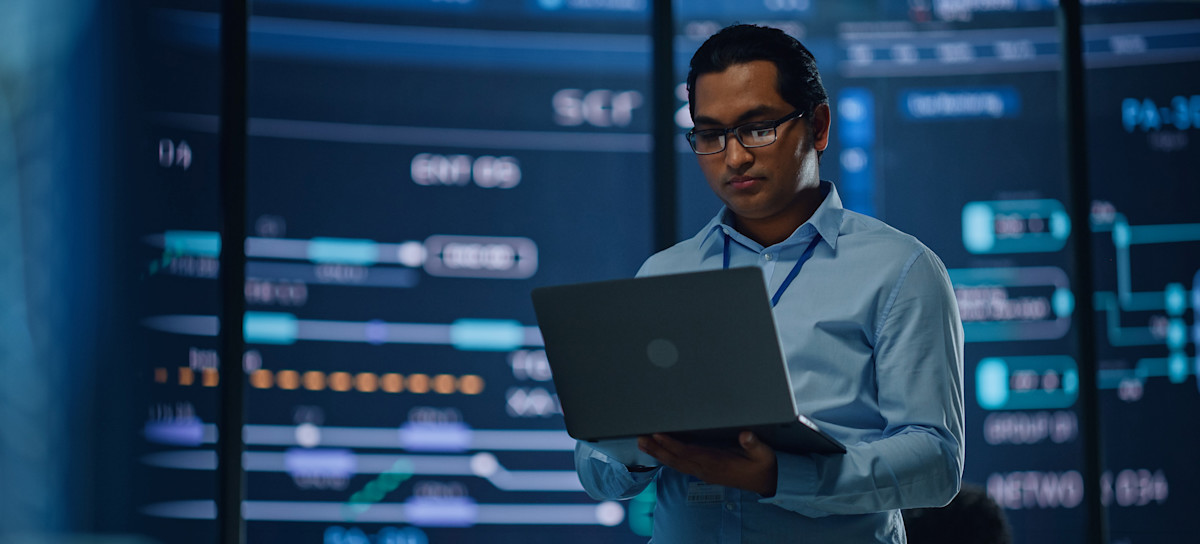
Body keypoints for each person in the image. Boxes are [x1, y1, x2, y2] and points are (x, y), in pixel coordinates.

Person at [574, 24, 965, 543]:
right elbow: (597, 469)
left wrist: (782, 477)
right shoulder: (664, 274)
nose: (734, 158)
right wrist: (637, 451)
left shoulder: (901, 270)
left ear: (819, 126)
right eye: (711, 135)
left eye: (757, 128)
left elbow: (935, 464)